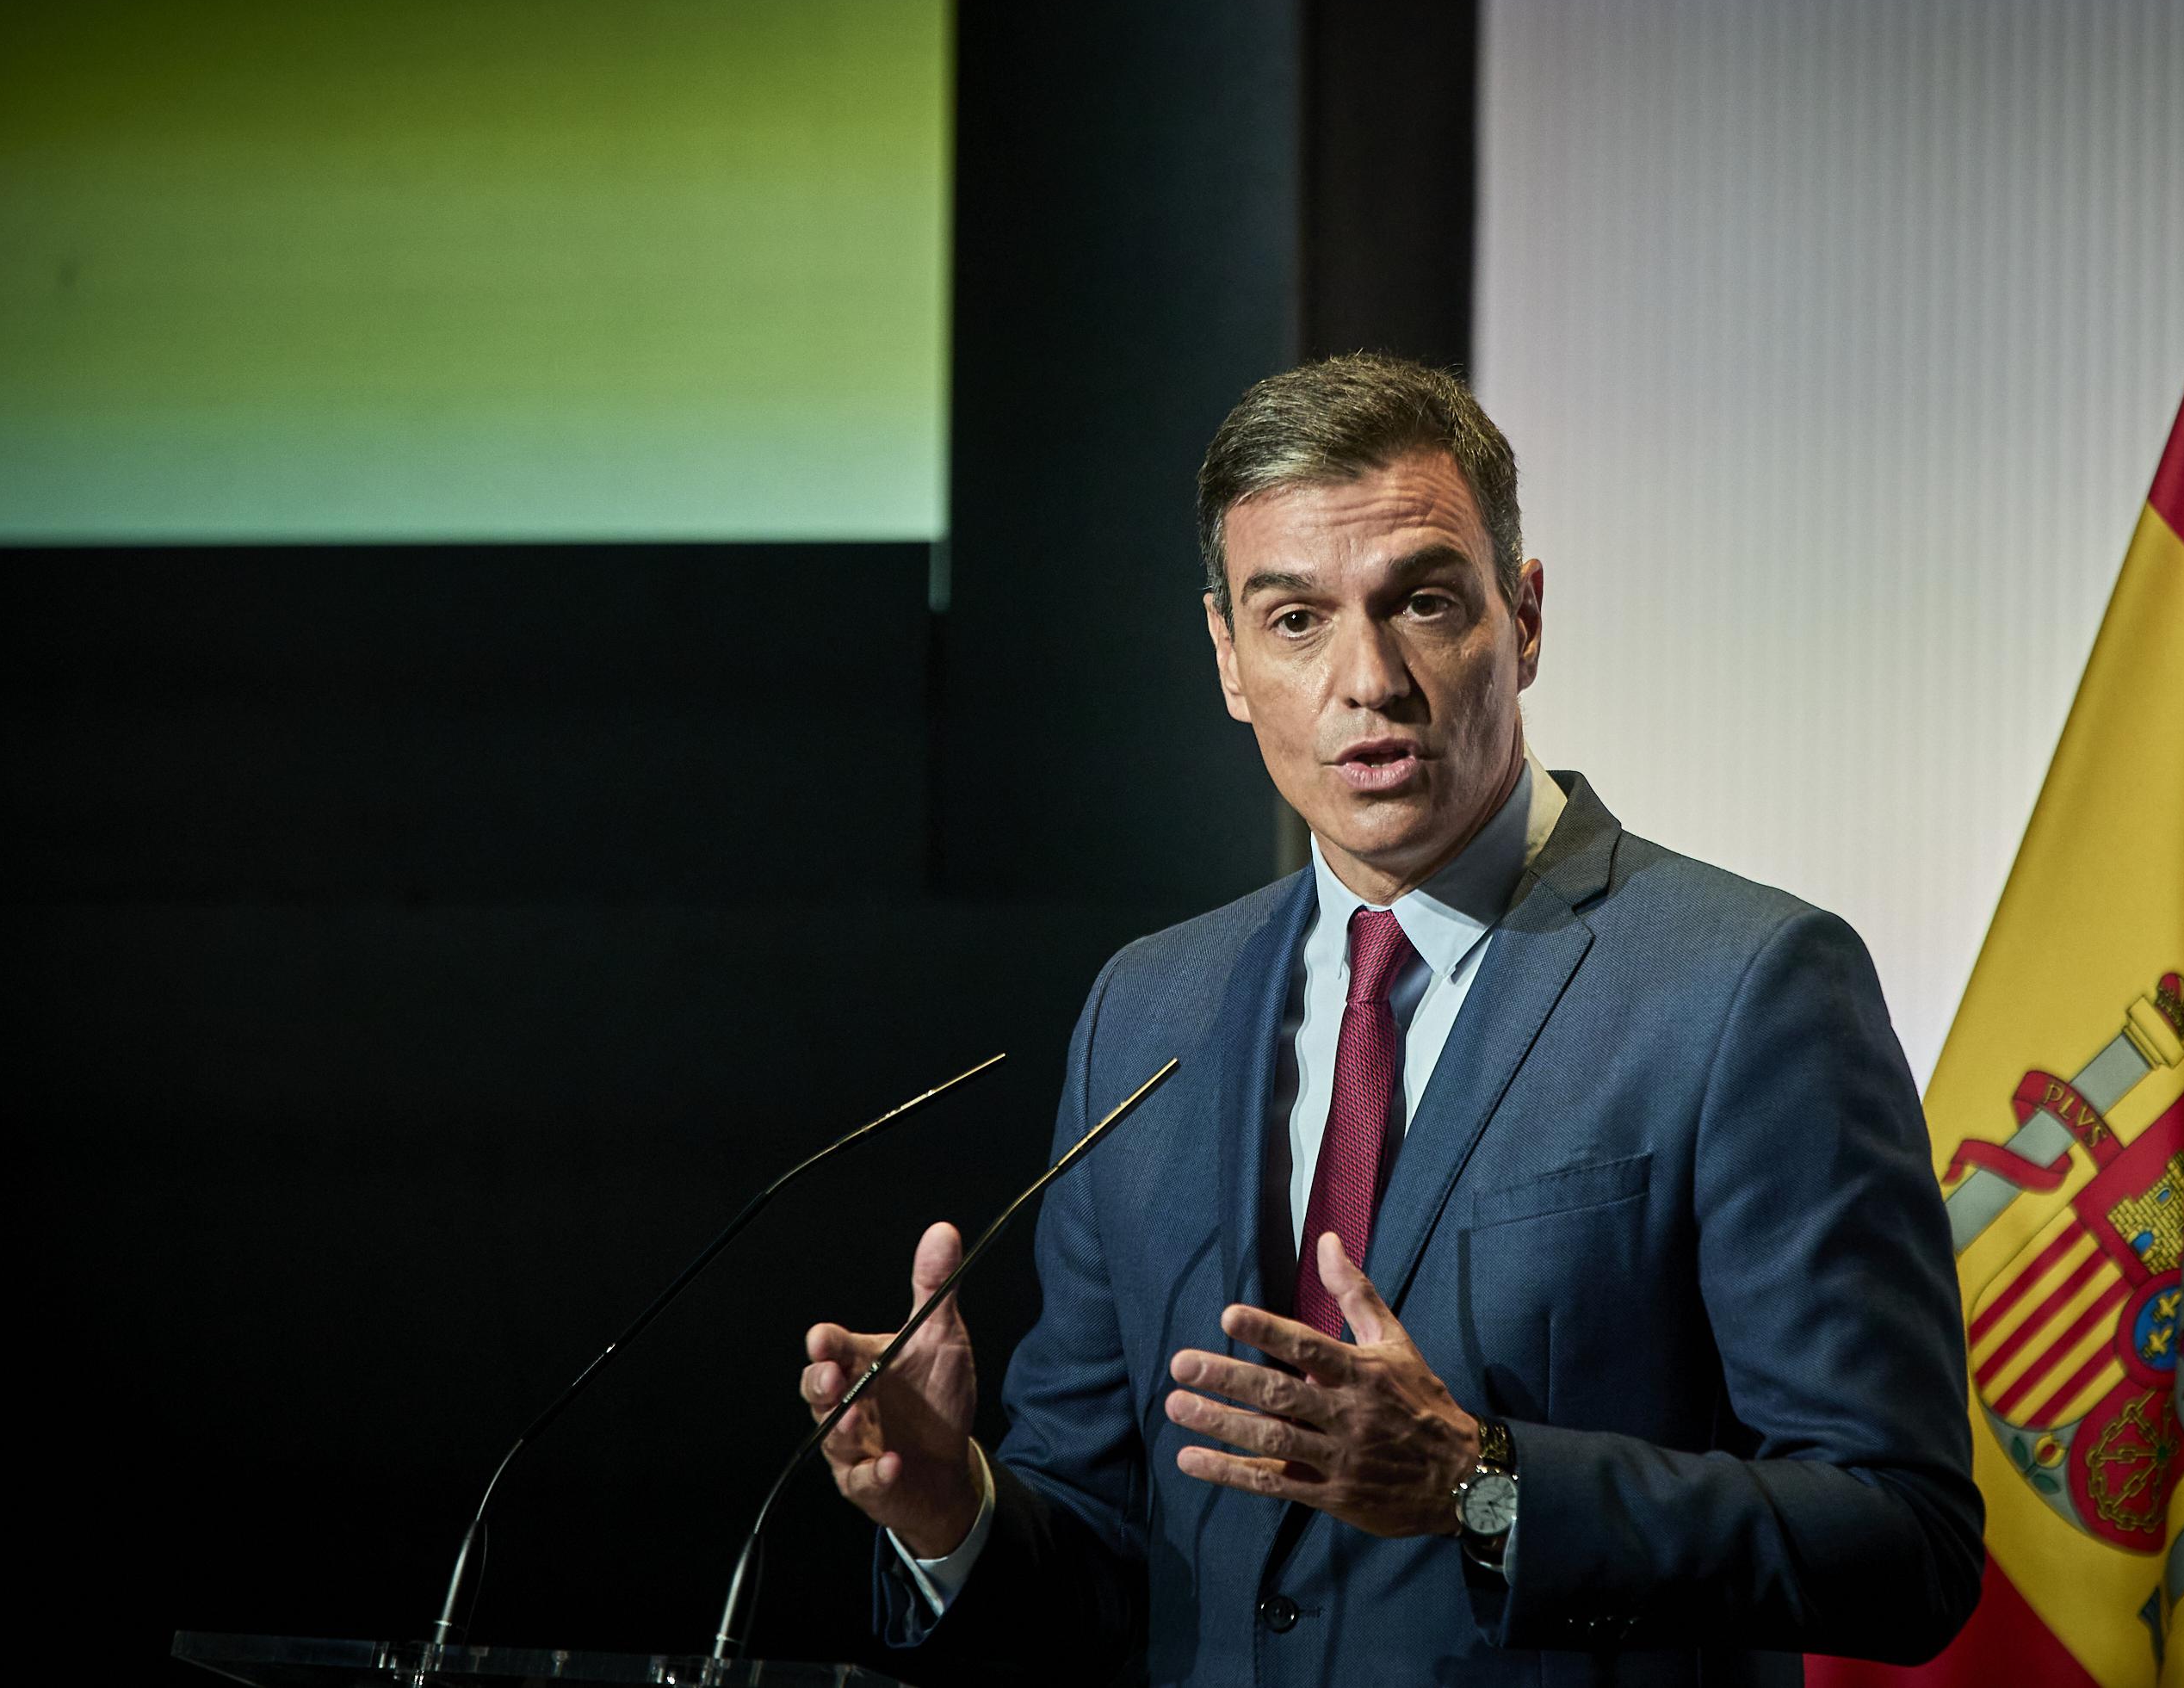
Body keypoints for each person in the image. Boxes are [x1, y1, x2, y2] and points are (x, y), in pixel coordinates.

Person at [799, 356, 1982, 1683]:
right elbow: (1124, 1558)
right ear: (1229, 659)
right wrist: (954, 1507)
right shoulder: (1146, 1011)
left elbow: (1904, 1540)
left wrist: (1481, 1485)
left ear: (1523, 617)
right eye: (1295, 619)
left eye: (1421, 601)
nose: (1369, 679)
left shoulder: (1745, 986)